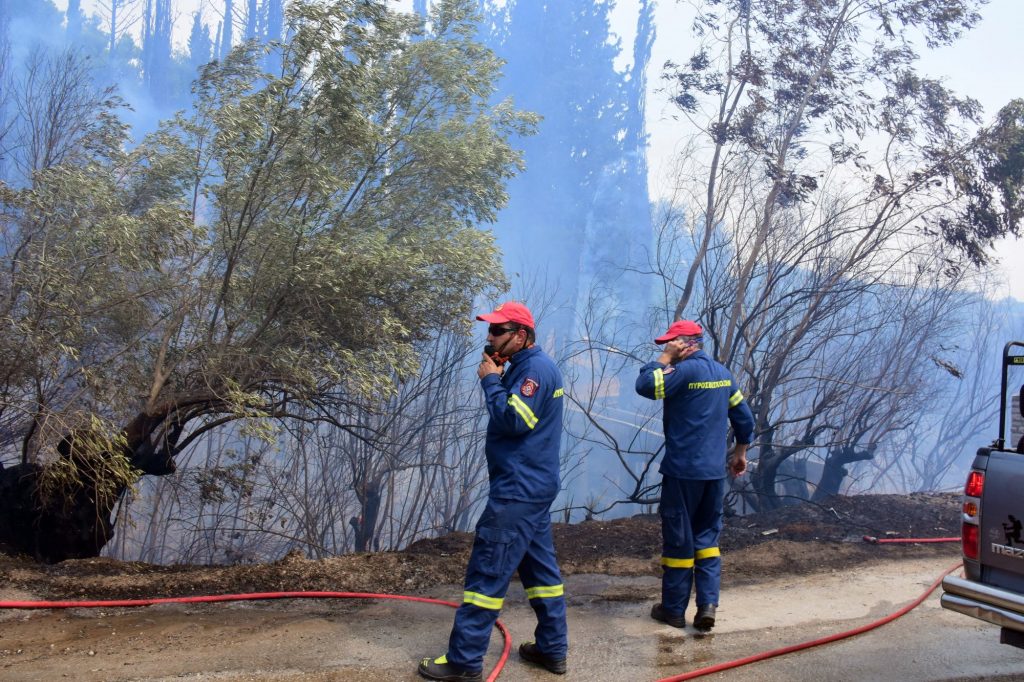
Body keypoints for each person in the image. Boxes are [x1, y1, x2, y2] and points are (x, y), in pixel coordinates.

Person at [419, 301, 569, 681]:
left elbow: (515, 420)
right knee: (542, 576)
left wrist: (489, 380)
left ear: (520, 335)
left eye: (497, 331)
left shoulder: (533, 370)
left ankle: (464, 662)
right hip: (532, 487)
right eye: (490, 330)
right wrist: (500, 376)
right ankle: (552, 650)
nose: (489, 338)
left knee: (486, 576)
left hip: (517, 491)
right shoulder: (527, 367)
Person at [635, 319, 754, 632]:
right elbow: (744, 419)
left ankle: (673, 610)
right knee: (707, 539)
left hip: (683, 473)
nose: (666, 349)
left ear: (684, 343)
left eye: (670, 344)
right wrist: (740, 453)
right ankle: (707, 606)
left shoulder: (683, 371)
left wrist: (662, 360)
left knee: (679, 540)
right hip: (714, 475)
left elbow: (646, 385)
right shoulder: (722, 374)